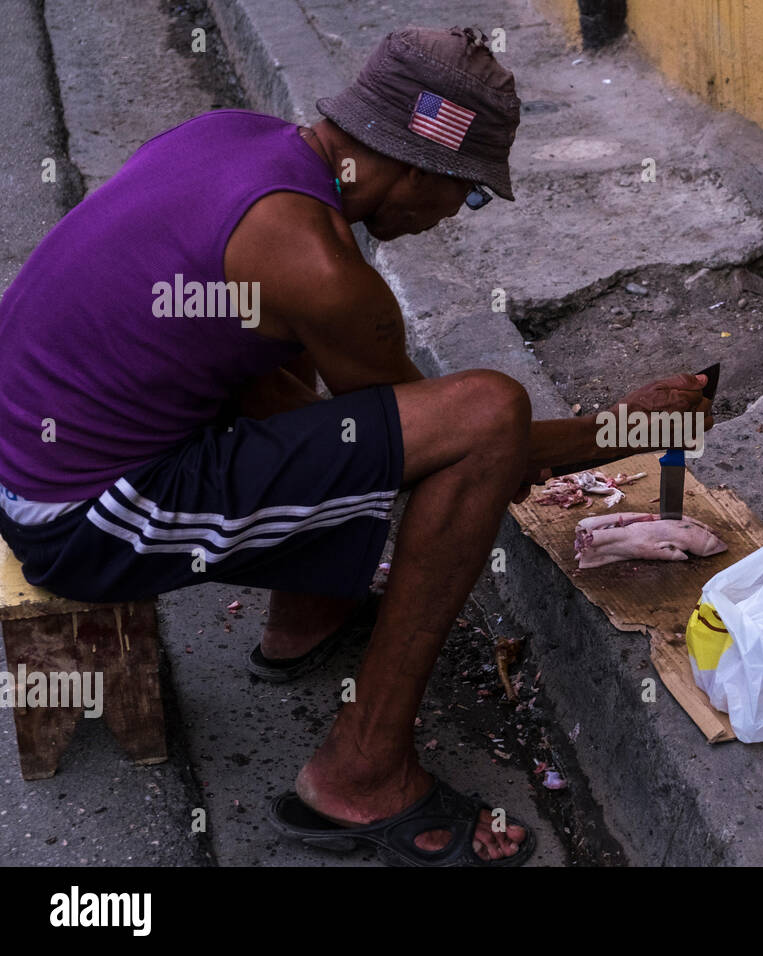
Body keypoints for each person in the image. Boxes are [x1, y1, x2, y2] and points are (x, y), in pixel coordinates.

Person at [0, 26, 712, 866]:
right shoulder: (319, 264)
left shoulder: (238, 140)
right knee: (483, 411)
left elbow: (347, 409)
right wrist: (628, 427)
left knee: (312, 363)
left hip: (35, 465)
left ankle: (309, 616)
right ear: (419, 170)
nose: (456, 217)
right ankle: (361, 771)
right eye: (469, 194)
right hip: (85, 524)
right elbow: (477, 443)